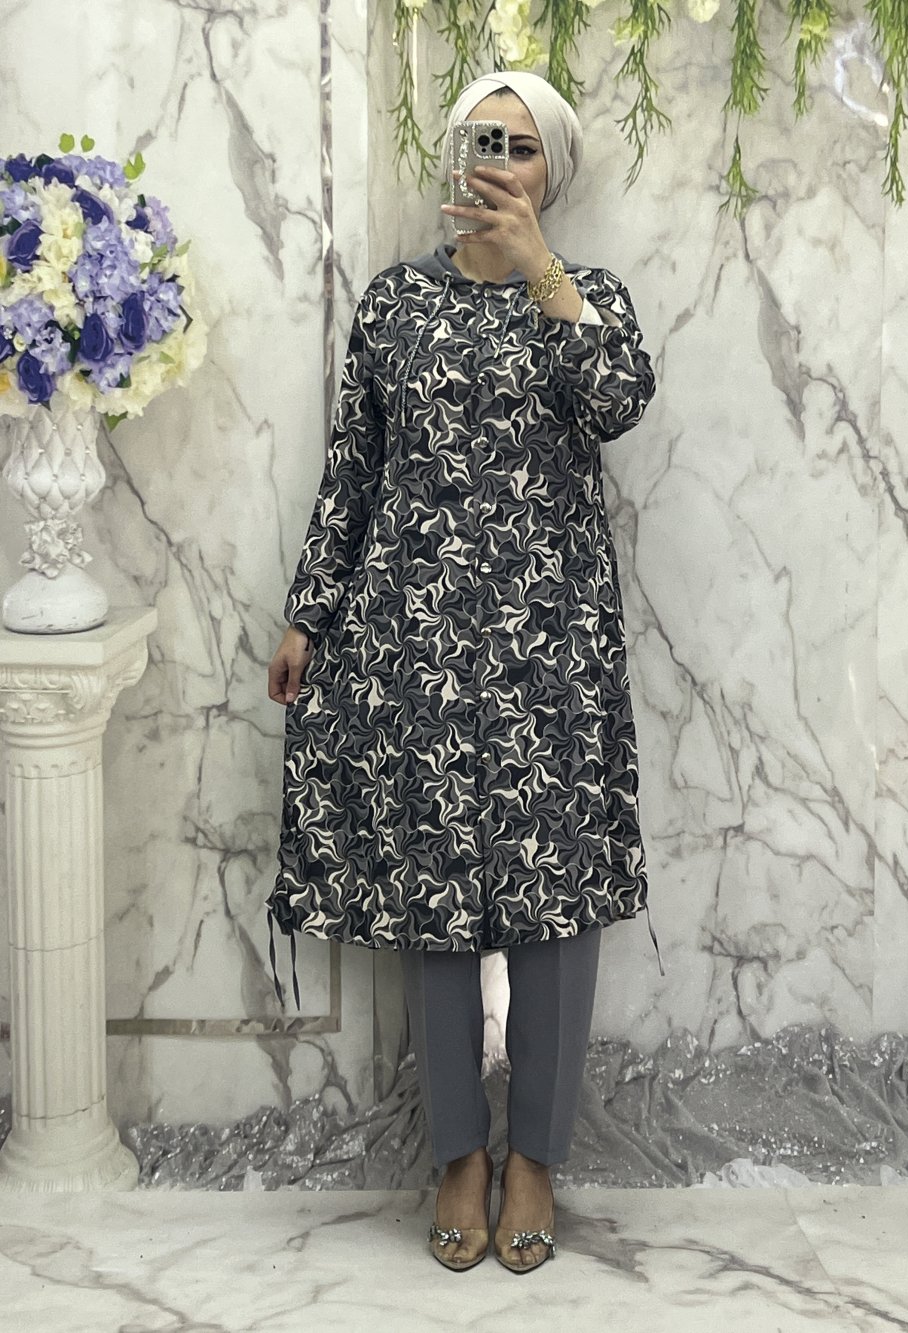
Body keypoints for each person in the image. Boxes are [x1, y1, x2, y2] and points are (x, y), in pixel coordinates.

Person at [266, 69, 661, 1274]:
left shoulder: (589, 299)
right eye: (483, 141)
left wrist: (542, 272)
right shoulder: (393, 303)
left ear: (555, 173)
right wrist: (309, 613)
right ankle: (455, 1153)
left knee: (556, 906)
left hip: (552, 639)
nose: (499, 162)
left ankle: (534, 1153)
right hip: (412, 635)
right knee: (432, 897)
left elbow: (618, 401)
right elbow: (354, 465)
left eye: (523, 147)